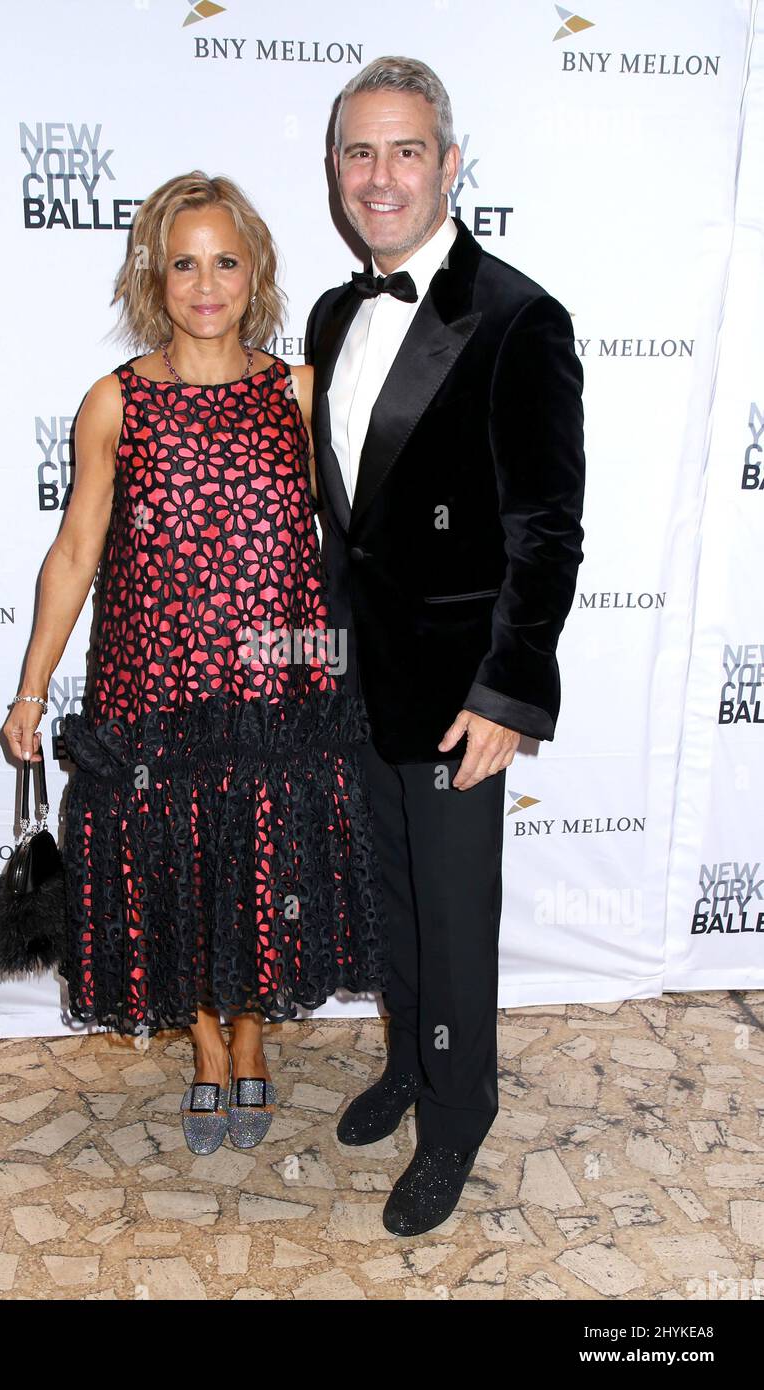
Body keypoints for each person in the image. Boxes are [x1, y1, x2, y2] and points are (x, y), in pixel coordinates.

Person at [1, 171, 386, 1156]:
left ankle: (251, 1033)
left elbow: (354, 541)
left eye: (224, 260)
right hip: (154, 687)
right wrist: (32, 686)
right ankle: (207, 1048)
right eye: (184, 262)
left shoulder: (299, 392)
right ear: (153, 275)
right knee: (170, 873)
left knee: (261, 865)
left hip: (273, 688)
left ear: (253, 271)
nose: (205, 282)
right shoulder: (114, 403)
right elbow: (77, 551)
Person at [305, 56, 586, 1235]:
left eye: (404, 150)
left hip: (461, 691)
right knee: (390, 904)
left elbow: (546, 530)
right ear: (335, 172)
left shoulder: (518, 319)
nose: (381, 175)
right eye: (359, 153)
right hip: (361, 679)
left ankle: (456, 1112)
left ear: (449, 164)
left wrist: (507, 692)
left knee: (454, 916)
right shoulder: (329, 312)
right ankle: (410, 1067)